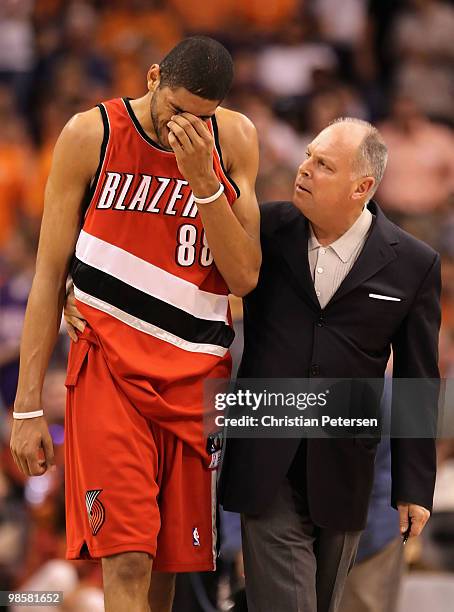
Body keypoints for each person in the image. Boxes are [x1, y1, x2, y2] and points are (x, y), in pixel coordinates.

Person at [10, 36, 261, 612]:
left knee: (167, 571)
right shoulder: (90, 135)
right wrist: (27, 409)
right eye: (176, 110)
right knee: (125, 558)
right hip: (109, 374)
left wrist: (204, 184)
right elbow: (49, 278)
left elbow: (245, 275)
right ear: (152, 79)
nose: (185, 129)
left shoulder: (233, 139)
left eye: (201, 118)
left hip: (195, 379)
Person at [218, 118, 440, 611]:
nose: (305, 169)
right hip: (264, 458)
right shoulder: (267, 228)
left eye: (323, 164)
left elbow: (416, 378)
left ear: (362, 187)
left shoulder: (413, 263)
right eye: (308, 156)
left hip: (345, 469)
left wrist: (413, 487)